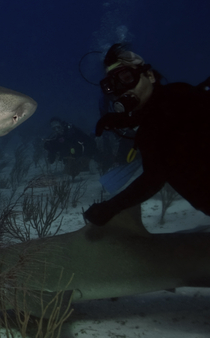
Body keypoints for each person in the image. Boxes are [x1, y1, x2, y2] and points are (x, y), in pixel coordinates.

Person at [84, 44, 210, 226]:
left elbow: (154, 178)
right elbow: (158, 119)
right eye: (112, 86)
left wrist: (111, 208)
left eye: (126, 78)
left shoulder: (182, 97)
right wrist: (129, 120)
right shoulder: (149, 128)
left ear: (149, 76)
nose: (122, 90)